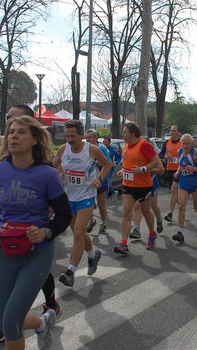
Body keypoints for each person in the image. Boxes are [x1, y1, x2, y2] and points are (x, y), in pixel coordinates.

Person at [0, 115, 72, 350]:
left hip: (37, 253)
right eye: (11, 132)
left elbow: (64, 215)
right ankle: (42, 323)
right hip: (6, 249)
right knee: (4, 320)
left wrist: (46, 231)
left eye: (21, 132)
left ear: (35, 139)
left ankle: (40, 323)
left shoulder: (47, 175)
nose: (14, 136)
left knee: (12, 321)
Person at [53, 121, 110, 287]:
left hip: (86, 195)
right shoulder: (64, 149)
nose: (70, 139)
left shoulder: (92, 149)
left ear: (81, 135)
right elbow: (53, 166)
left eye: (73, 136)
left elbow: (107, 164)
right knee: (77, 231)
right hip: (68, 197)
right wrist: (58, 173)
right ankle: (93, 255)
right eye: (67, 136)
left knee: (78, 232)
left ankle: (70, 271)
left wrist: (100, 179)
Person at [114, 122, 161, 255]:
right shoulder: (126, 146)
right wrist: (123, 170)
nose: (123, 134)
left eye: (124, 132)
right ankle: (124, 244)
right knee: (126, 213)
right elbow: (128, 163)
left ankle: (152, 234)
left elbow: (155, 162)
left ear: (132, 133)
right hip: (128, 184)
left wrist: (143, 169)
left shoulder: (144, 145)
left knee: (146, 212)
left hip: (143, 185)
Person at [171, 134, 197, 244]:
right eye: (183, 143)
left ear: (192, 143)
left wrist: (194, 169)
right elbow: (180, 165)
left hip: (195, 183)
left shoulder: (196, 152)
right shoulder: (180, 151)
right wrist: (177, 172)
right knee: (181, 207)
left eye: (187, 144)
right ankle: (180, 232)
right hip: (184, 182)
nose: (185, 146)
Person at [132, 136, 165, 240]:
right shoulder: (136, 154)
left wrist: (146, 169)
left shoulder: (154, 155)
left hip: (152, 183)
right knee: (137, 206)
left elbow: (161, 170)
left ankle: (159, 220)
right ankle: (136, 229)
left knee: (153, 207)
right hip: (140, 184)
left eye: (144, 143)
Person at [84, 129, 113, 236]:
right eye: (86, 137)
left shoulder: (101, 148)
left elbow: (108, 163)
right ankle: (91, 220)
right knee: (88, 203)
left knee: (101, 204)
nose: (87, 139)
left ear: (96, 138)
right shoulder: (85, 149)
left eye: (90, 137)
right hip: (89, 181)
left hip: (101, 179)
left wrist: (95, 162)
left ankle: (104, 222)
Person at [159, 125, 182, 223]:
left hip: (180, 171)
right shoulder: (167, 142)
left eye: (174, 131)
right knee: (175, 193)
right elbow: (160, 154)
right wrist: (165, 157)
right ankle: (182, 207)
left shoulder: (182, 142)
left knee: (173, 190)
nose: (172, 132)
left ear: (178, 132)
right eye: (171, 131)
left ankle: (170, 214)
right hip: (169, 170)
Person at [103, 137, 122, 204]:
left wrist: (116, 163)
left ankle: (104, 199)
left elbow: (119, 157)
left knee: (107, 184)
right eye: (103, 141)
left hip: (110, 169)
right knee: (105, 183)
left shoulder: (113, 150)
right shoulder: (102, 149)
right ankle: (114, 192)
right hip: (103, 169)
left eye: (105, 141)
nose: (104, 143)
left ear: (109, 142)